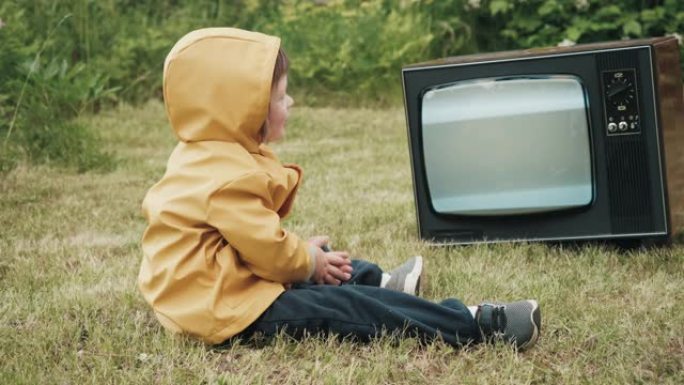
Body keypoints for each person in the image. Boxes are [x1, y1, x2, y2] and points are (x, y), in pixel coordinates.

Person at [138, 27, 541, 351]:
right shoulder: (226, 177)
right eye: (280, 97)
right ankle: (474, 324)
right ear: (242, 113)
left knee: (317, 256)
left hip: (210, 287)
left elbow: (247, 242)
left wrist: (303, 257)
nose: (290, 102)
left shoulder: (207, 151)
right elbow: (270, 253)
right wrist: (301, 261)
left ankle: (380, 281)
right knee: (345, 306)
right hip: (223, 311)